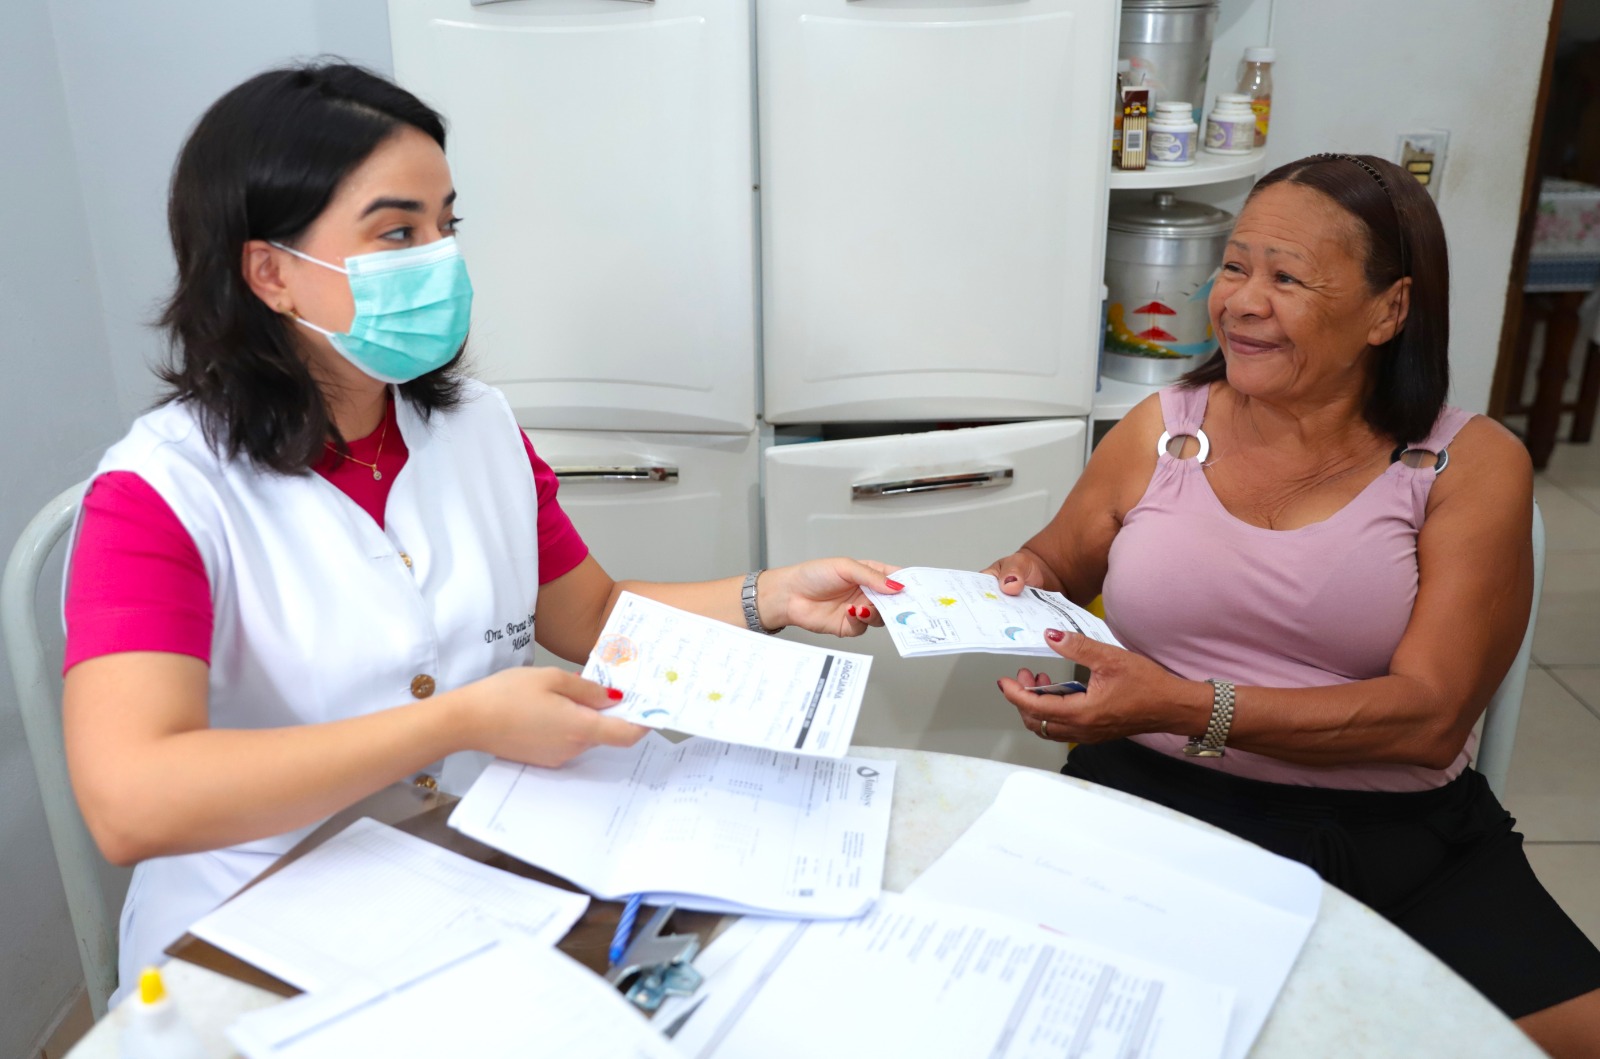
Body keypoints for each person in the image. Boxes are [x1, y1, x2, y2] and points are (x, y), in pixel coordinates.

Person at [60, 62, 896, 1002]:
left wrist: (768, 595)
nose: (441, 259)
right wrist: (458, 719)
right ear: (272, 272)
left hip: (468, 868)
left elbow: (594, 614)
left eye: (445, 225)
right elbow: (130, 798)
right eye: (397, 232)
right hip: (251, 922)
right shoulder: (159, 493)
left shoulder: (476, 427)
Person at [985, 154, 1600, 1055]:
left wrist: (1182, 704)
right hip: (1153, 804)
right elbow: (1061, 554)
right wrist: (1021, 573)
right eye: (1234, 266)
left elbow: (1429, 720)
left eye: (1287, 278)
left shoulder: (1467, 463)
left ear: (1390, 310)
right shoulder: (1165, 427)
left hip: (1395, 841)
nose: (1242, 300)